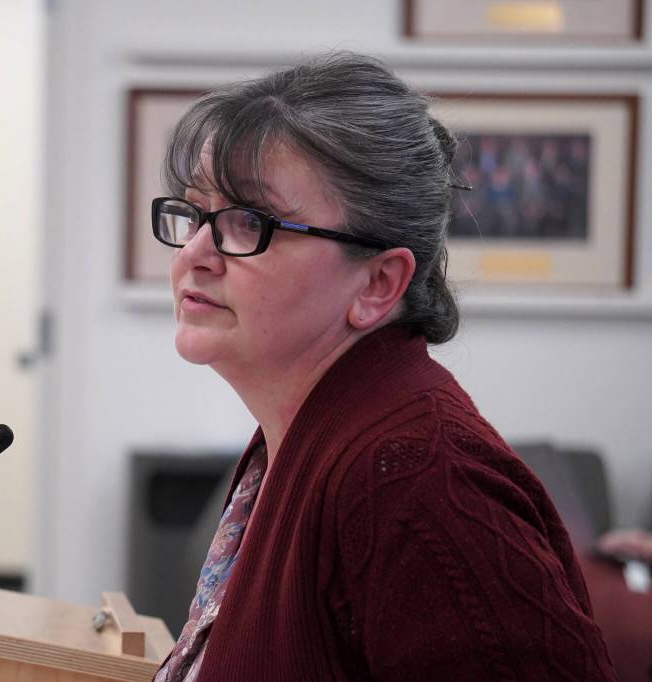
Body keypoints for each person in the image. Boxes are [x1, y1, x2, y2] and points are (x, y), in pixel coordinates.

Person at [149, 52, 617, 682]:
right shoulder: (312, 435)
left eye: (247, 223)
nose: (196, 255)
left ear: (377, 282)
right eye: (194, 212)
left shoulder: (416, 483)